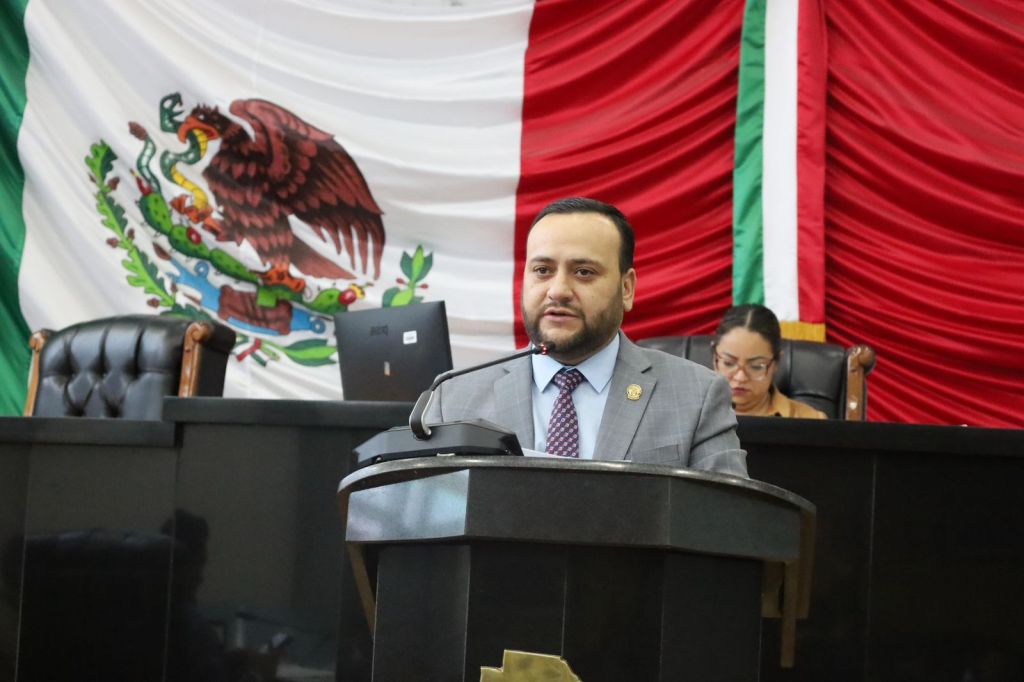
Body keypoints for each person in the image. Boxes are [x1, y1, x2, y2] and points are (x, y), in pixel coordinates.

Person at [424, 197, 746, 477]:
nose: (558, 291)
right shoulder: (453, 397)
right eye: (542, 270)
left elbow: (726, 519)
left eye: (583, 272)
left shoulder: (697, 396)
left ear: (626, 288)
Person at [712, 304, 827, 419]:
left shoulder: (811, 419)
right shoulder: (700, 416)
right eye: (728, 363)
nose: (740, 378)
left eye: (756, 366)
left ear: (776, 363)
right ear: (714, 357)